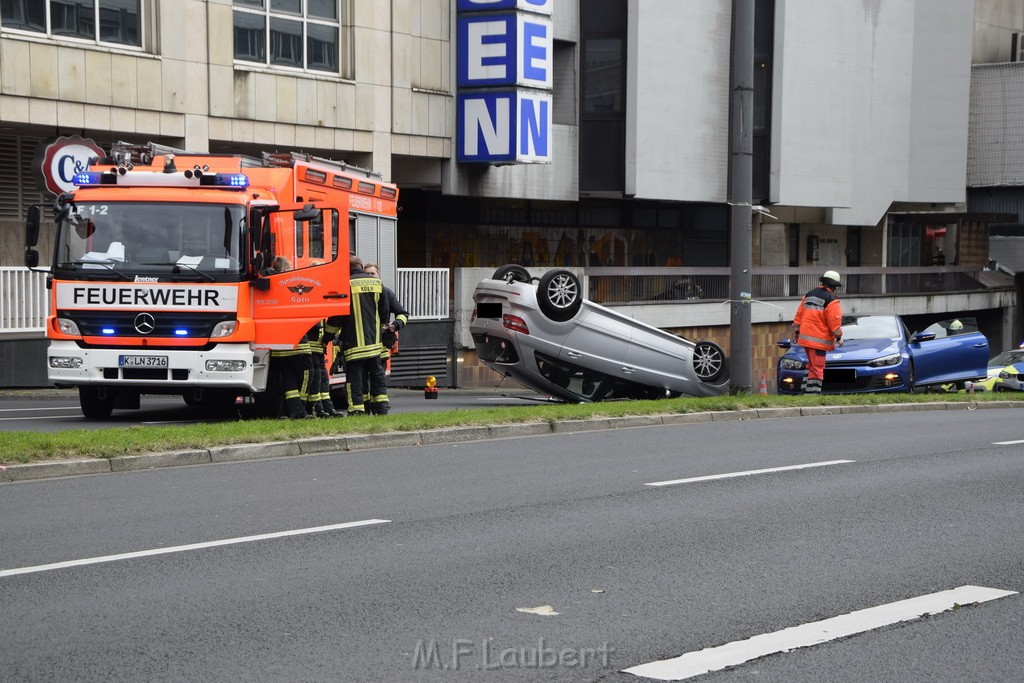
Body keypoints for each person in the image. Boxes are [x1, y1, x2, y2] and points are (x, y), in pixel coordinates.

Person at [325, 255, 391, 416]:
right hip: (374, 345)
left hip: (353, 347)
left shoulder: (345, 285)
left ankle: (357, 411)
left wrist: (327, 337)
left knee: (354, 381)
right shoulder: (377, 284)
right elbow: (384, 313)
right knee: (377, 378)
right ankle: (381, 409)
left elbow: (336, 318)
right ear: (361, 267)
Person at [363, 262, 409, 415]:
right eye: (367, 274)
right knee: (363, 380)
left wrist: (395, 325)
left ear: (378, 275)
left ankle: (379, 408)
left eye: (372, 274)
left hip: (381, 346)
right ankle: (367, 407)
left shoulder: (386, 293)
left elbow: (403, 313)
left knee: (377, 379)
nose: (369, 276)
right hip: (363, 344)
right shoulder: (360, 294)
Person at [792, 270, 844, 395]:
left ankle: (805, 393)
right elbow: (834, 323)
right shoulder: (831, 299)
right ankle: (812, 396)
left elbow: (799, 315)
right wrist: (839, 337)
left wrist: (797, 332)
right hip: (818, 340)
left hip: (805, 338)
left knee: (811, 366)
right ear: (834, 286)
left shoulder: (809, 295)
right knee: (817, 368)